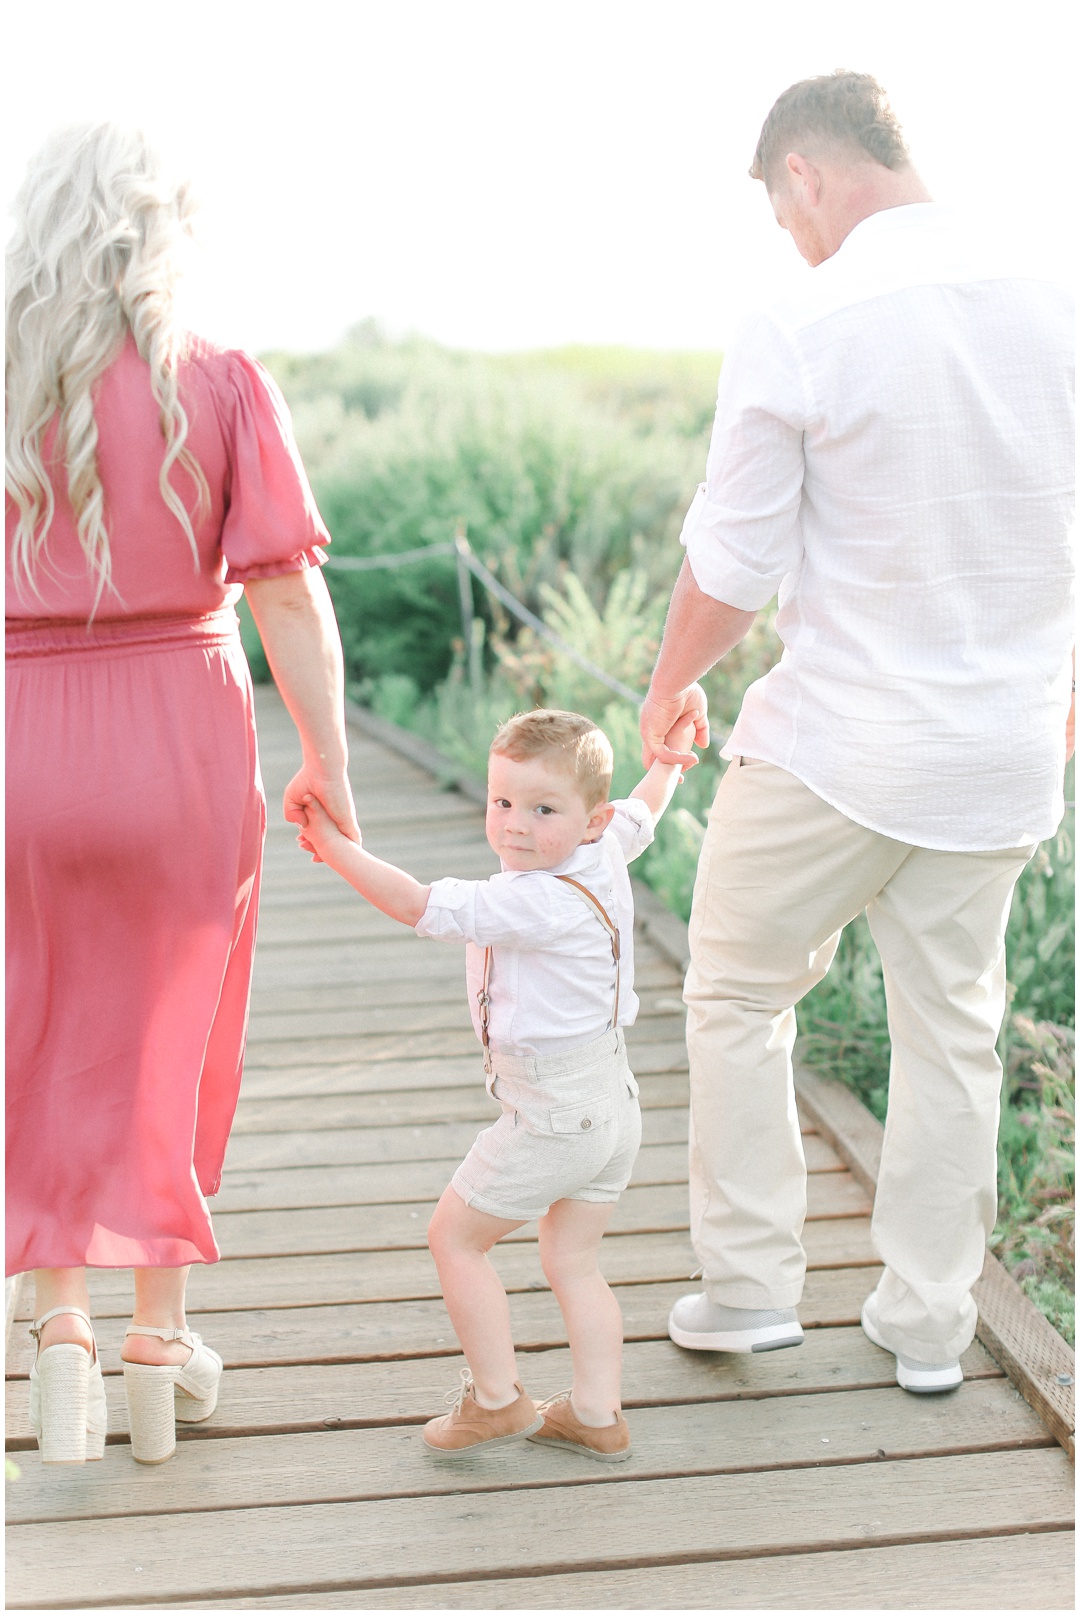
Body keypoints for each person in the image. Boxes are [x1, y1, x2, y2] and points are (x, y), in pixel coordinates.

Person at [639, 72, 1074, 1392]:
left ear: (808, 175)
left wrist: (663, 689)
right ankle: (931, 1320)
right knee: (954, 1032)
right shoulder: (1058, 299)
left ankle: (752, 1284)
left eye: (785, 210)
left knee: (736, 986)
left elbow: (732, 563)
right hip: (1000, 751)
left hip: (837, 746)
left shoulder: (805, 314)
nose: (791, 235)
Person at [6, 122, 360, 1465]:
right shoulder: (219, 382)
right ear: (163, 237)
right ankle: (159, 1345)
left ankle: (58, 1335)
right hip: (179, 734)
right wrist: (327, 758)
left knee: (37, 1023)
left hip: (22, 737)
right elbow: (285, 586)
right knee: (172, 1030)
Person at [296, 708, 694, 1458]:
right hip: (612, 1098)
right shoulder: (604, 846)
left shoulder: (534, 899)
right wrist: (668, 759)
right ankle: (597, 1413)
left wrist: (332, 844)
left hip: (553, 1109)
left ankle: (497, 1399)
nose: (515, 825)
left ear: (587, 818)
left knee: (454, 1238)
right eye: (501, 801)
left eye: (543, 810)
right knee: (574, 1259)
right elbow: (646, 810)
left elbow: (419, 904)